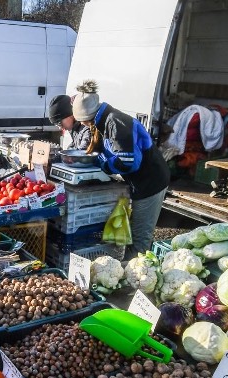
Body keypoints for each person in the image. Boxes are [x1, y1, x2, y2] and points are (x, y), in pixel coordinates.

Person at [73, 80, 170, 256]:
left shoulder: (116, 123)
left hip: (150, 183)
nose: (84, 126)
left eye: (84, 122)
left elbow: (129, 162)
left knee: (140, 236)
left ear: (90, 117)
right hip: (138, 182)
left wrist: (103, 163)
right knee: (130, 232)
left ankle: (136, 277)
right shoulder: (103, 121)